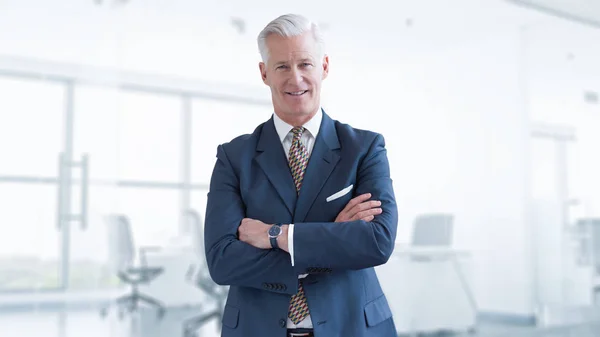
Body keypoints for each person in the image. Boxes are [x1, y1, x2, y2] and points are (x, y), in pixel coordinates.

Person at [204, 13, 398, 337]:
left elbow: (377, 242)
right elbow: (222, 261)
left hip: (351, 326)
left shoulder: (365, 148)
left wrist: (277, 236)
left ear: (324, 66)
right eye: (282, 66)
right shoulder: (234, 158)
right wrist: (331, 238)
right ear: (264, 73)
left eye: (305, 64)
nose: (295, 79)